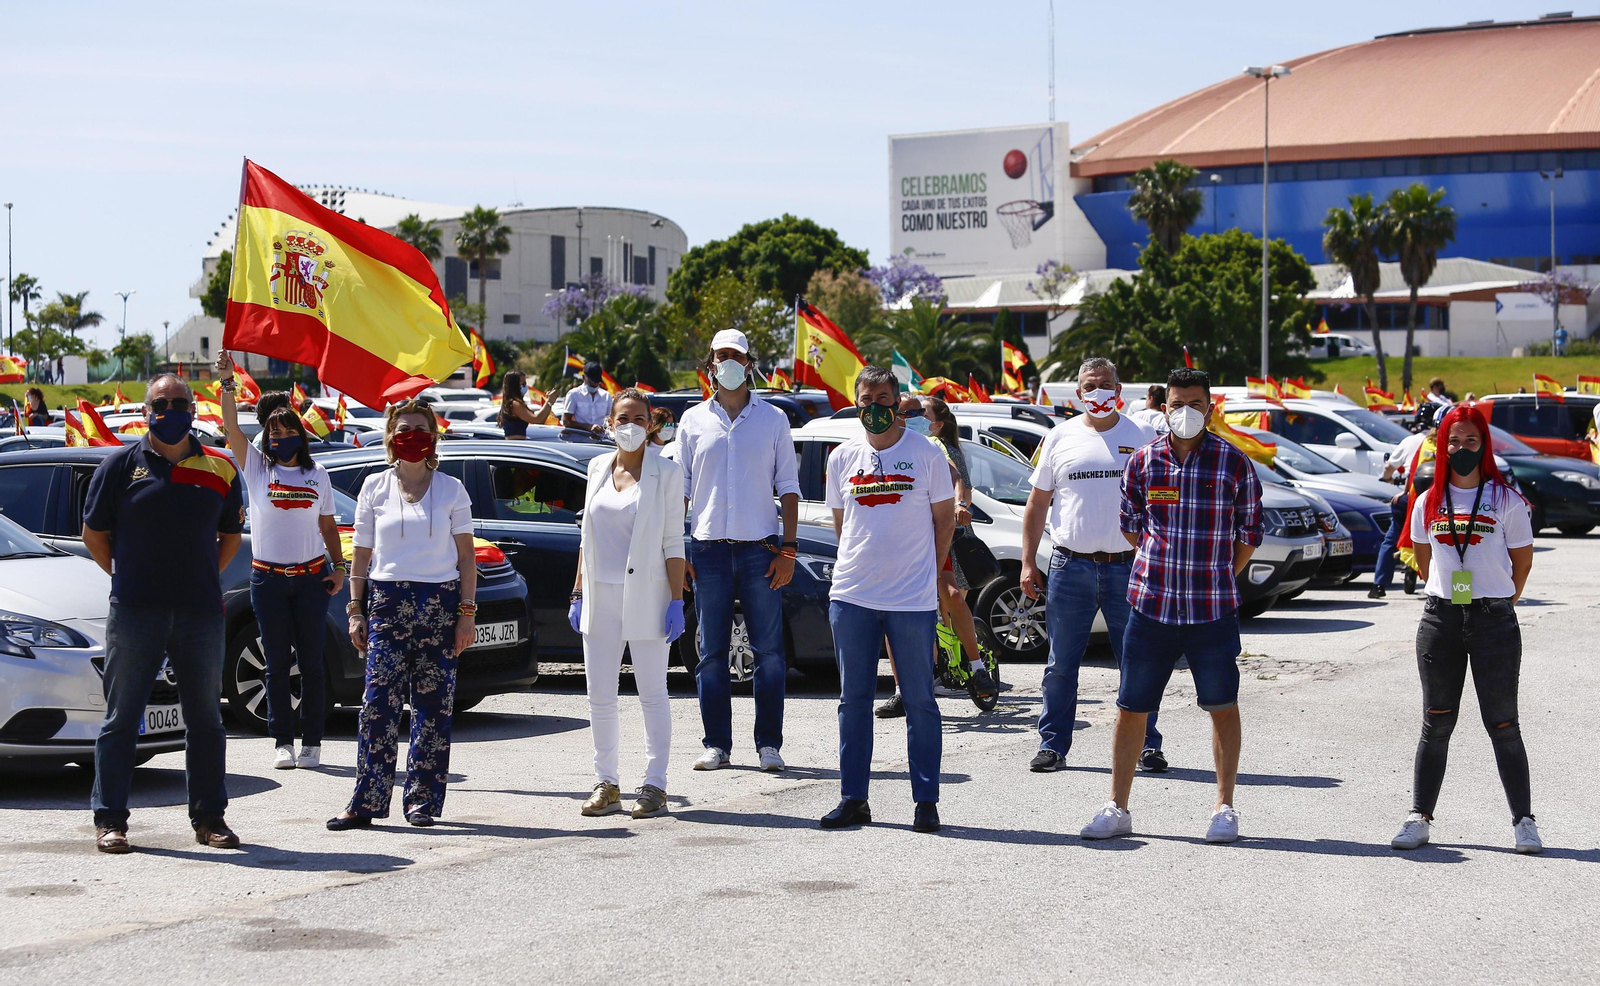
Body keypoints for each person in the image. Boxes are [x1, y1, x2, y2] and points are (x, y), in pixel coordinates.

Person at [1079, 367, 1262, 844]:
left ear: (1211, 408)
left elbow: (1248, 537)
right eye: (1177, 404)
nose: (1186, 413)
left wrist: (1217, 576)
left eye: (1196, 404)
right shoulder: (1142, 463)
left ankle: (1224, 807)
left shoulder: (1234, 464)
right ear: (1164, 408)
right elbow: (1132, 528)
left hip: (1211, 611)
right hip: (1150, 606)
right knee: (1131, 707)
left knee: (1222, 705)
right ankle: (1117, 807)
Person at [82, 373, 245, 853]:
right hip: (135, 610)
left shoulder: (220, 468)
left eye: (178, 402)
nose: (169, 410)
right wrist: (127, 575)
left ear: (194, 409)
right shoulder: (119, 466)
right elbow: (94, 534)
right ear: (146, 409)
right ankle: (110, 820)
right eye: (160, 402)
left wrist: (200, 577)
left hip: (199, 612)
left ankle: (210, 820)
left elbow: (230, 535)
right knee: (121, 719)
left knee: (206, 721)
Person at [1390, 403, 1540, 854]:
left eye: (1471, 441)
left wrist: (1499, 599)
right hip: (1441, 620)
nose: (1461, 449)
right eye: (1453, 441)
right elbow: (1421, 555)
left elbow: (1522, 562)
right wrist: (1449, 594)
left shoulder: (1506, 500)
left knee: (1504, 723)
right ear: (1442, 445)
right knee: (1436, 722)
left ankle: (1524, 821)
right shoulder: (1426, 501)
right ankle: (1419, 816)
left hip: (1494, 620)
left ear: (1484, 445)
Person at [328, 401, 476, 830]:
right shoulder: (374, 487)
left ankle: (422, 802)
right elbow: (361, 557)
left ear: (433, 436)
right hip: (388, 605)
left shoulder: (452, 490)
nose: (412, 435)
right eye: (404, 428)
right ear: (391, 437)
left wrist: (466, 614)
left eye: (420, 428)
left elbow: (466, 558)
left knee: (433, 709)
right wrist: (355, 610)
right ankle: (366, 802)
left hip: (440, 606)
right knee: (377, 707)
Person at [821, 365, 955, 833]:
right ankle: (853, 798)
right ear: (855, 402)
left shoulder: (925, 453)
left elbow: (944, 520)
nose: (874, 406)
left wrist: (929, 574)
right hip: (853, 595)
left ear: (897, 403)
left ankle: (926, 802)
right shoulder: (841, 457)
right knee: (852, 701)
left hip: (911, 601)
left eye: (883, 398)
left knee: (919, 701)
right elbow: (843, 528)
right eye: (866, 398)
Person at [1020, 357, 1165, 773]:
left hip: (1130, 567)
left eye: (1105, 384)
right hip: (1070, 567)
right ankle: (1052, 745)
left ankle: (1147, 745)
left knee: (1138, 661)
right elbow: (1036, 505)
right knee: (1061, 664)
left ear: (1119, 390)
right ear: (1078, 393)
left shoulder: (1142, 435)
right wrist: (1028, 562)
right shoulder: (1058, 437)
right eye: (1089, 385)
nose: (1097, 391)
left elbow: (1162, 501)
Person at [677, 329, 801, 773]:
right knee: (711, 650)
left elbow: (788, 488)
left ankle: (769, 744)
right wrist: (679, 552)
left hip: (760, 550)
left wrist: (788, 549)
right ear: (710, 362)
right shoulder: (692, 421)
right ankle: (717, 745)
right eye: (720, 355)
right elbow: (682, 492)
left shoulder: (773, 419)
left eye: (736, 355)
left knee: (768, 651)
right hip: (707, 550)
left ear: (749, 363)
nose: (727, 362)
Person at [217, 351, 345, 770]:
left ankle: (312, 743)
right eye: (273, 433)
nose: (280, 438)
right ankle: (282, 742)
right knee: (275, 663)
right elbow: (231, 427)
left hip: (310, 579)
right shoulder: (257, 468)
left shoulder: (318, 475)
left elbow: (328, 527)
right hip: (267, 580)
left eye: (288, 431)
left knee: (310, 661)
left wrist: (339, 567)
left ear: (300, 434)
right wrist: (228, 382)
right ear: (267, 440)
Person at [568, 389, 687, 819]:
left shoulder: (666, 473)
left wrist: (676, 600)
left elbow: (674, 543)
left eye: (639, 417)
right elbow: (587, 537)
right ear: (609, 422)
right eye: (623, 418)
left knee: (652, 693)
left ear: (651, 423)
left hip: (648, 595)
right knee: (600, 694)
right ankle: (606, 781)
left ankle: (655, 784)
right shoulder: (597, 467)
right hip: (600, 595)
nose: (631, 425)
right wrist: (578, 592)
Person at [875, 394, 997, 716]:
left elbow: (956, 477)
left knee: (953, 596)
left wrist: (960, 504)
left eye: (918, 412)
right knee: (896, 614)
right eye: (907, 412)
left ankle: (976, 667)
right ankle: (904, 689)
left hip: (935, 540)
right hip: (897, 546)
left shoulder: (929, 447)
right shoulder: (878, 449)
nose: (914, 417)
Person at [1372, 404, 1442, 599]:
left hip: (1410, 497)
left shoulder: (1412, 441)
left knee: (1391, 538)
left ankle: (1379, 584)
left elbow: (1395, 468)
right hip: (1437, 501)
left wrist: (1394, 484)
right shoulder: (1446, 443)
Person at [497, 370, 552, 439]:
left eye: (525, 383)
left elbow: (536, 417)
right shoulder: (515, 404)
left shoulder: (514, 403)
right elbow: (538, 419)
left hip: (518, 443)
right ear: (514, 385)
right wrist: (549, 402)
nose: (525, 386)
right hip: (515, 445)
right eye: (522, 384)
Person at [562, 362, 613, 436]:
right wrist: (588, 427)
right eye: (591, 382)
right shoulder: (574, 394)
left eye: (596, 382)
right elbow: (566, 421)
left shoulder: (606, 396)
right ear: (583, 377)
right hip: (580, 440)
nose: (594, 385)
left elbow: (611, 420)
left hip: (602, 441)